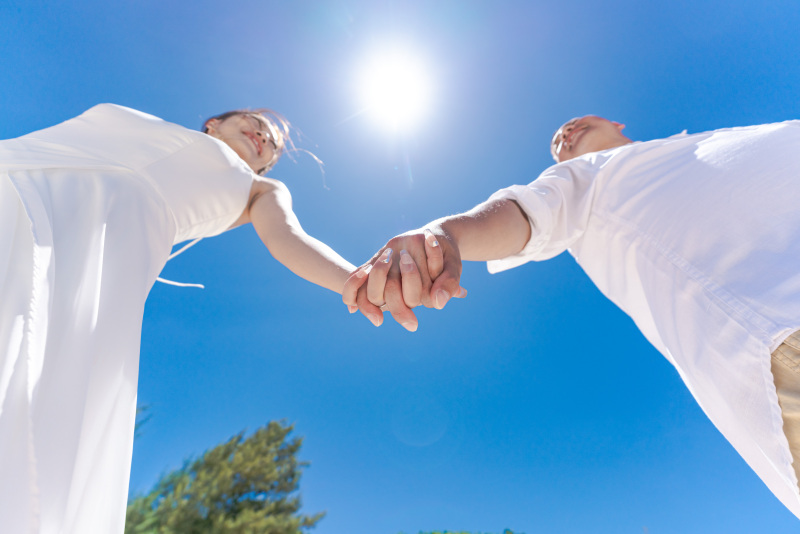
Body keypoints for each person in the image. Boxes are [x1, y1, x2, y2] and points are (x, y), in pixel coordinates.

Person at [343, 115, 800, 519]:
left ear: (617, 123)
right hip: (782, 320)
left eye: (573, 122)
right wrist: (443, 235)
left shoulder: (716, 138)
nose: (563, 132)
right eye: (556, 139)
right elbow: (525, 214)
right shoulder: (586, 176)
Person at [0, 104, 358, 532]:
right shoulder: (146, 122)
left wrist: (356, 281)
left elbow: (289, 238)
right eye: (255, 123)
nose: (264, 136)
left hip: (80, 260)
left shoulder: (259, 190)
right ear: (214, 123)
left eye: (272, 146)